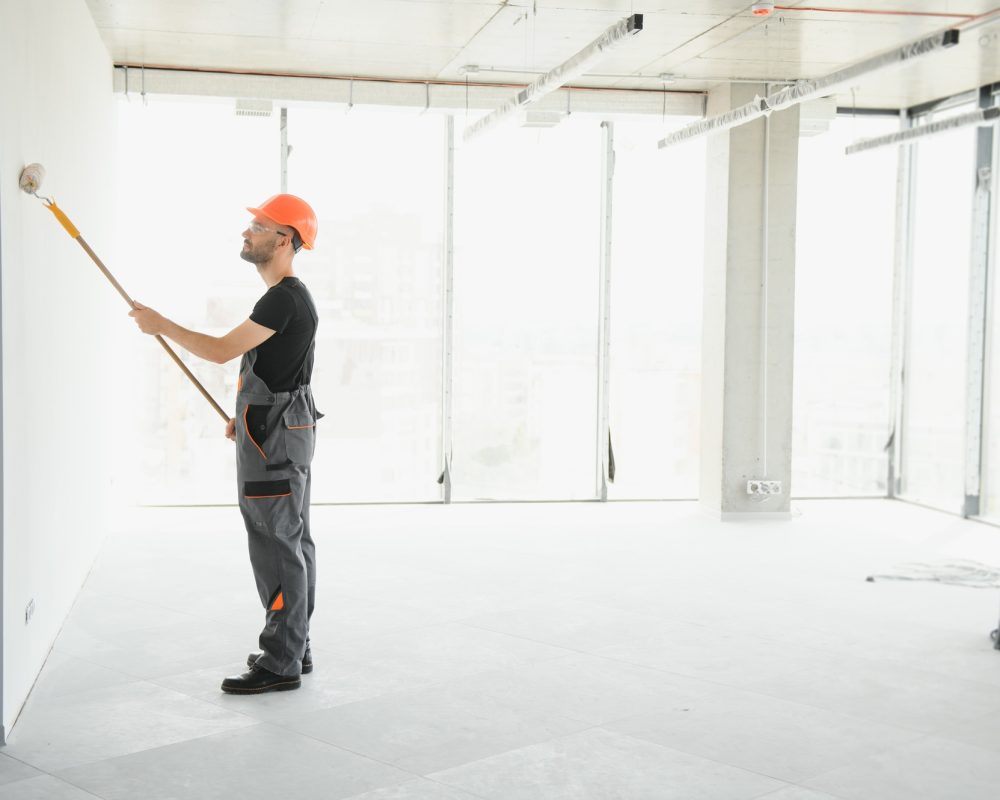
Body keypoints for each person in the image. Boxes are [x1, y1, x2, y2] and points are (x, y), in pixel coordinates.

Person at [130, 194, 321, 694]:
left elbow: (218, 351)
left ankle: (281, 661)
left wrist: (161, 325)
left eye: (259, 226)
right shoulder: (292, 297)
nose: (246, 232)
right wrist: (249, 415)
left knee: (276, 542)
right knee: (293, 538)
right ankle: (294, 646)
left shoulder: (282, 298)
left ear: (285, 240)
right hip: (281, 430)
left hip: (274, 438)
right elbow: (285, 374)